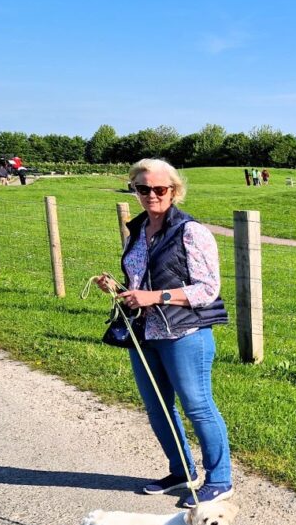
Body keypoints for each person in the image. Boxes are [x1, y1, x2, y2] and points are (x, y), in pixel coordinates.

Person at [94, 158, 233, 507]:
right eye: (143, 188)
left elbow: (207, 289)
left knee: (198, 406)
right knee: (157, 408)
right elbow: (141, 281)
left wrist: (155, 297)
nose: (151, 195)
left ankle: (220, 480)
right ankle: (181, 471)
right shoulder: (138, 229)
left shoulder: (191, 231)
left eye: (159, 189)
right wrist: (118, 287)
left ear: (174, 191)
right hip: (145, 332)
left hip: (185, 333)